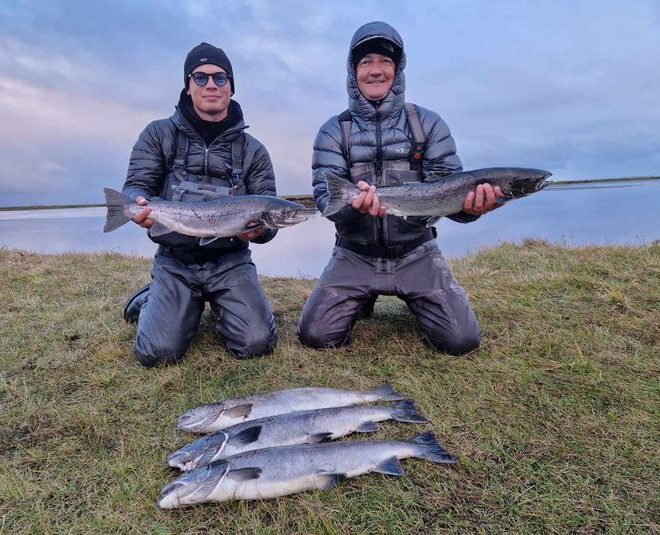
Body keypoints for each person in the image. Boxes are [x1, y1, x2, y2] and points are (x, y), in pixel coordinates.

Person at [297, 21, 503, 355]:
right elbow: (326, 200)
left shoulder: (428, 125)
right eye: (366, 63)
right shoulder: (334, 131)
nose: (375, 71)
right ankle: (361, 294)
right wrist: (354, 206)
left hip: (416, 251)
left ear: (398, 69)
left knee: (461, 341)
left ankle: (412, 292)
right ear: (353, 72)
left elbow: (450, 192)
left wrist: (471, 210)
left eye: (385, 62)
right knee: (315, 336)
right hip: (355, 251)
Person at [121, 42, 278, 367]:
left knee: (257, 343)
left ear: (231, 86)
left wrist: (260, 233)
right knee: (157, 354)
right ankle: (151, 299)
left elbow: (270, 222)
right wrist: (134, 202)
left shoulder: (254, 151)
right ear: (188, 85)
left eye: (220, 78)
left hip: (231, 261)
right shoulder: (158, 134)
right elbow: (136, 185)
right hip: (175, 260)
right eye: (201, 77)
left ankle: (220, 304)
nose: (211, 85)